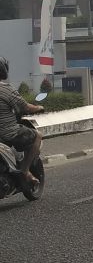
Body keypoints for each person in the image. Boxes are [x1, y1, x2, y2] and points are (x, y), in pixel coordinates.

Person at [0, 57, 44, 186]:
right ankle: (24, 171)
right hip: (8, 132)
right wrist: (39, 107)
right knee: (38, 136)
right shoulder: (6, 89)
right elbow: (25, 107)